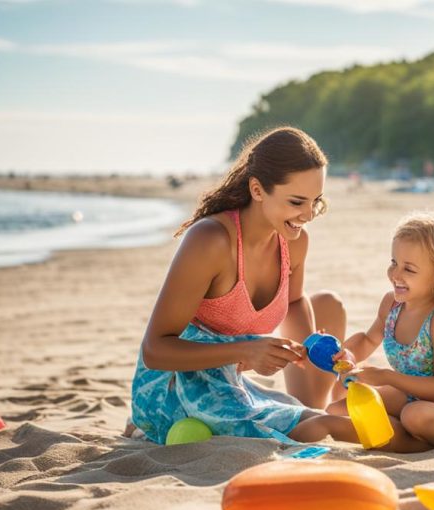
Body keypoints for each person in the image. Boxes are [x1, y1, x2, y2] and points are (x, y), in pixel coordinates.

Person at [129, 126, 351, 445]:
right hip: (172, 385)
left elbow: (293, 301)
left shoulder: (295, 242)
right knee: (312, 425)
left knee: (309, 410)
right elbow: (155, 350)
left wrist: (311, 350)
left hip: (227, 381)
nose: (309, 214)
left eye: (316, 201)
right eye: (297, 201)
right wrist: (246, 351)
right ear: (258, 190)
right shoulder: (210, 241)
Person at [306, 211, 434, 450]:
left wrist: (385, 377)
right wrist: (347, 355)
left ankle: (409, 442)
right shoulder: (391, 305)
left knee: (414, 415)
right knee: (339, 408)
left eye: (409, 269)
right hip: (410, 398)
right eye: (394, 262)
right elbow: (368, 339)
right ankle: (401, 434)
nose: (395, 274)